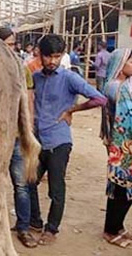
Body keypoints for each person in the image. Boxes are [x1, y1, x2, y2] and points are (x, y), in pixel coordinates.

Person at [29, 34, 107, 246]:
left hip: (59, 141)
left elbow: (100, 98)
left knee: (56, 188)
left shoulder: (69, 78)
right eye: (48, 56)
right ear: (40, 54)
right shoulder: (36, 77)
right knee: (28, 182)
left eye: (57, 56)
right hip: (38, 140)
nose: (52, 61)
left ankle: (51, 229)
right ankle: (34, 222)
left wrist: (72, 109)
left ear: (62, 55)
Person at [0, 28, 37, 248]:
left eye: (12, 44)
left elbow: (28, 102)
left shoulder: (22, 69)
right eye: (7, 44)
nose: (11, 48)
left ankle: (23, 228)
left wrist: (29, 131)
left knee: (21, 185)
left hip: (17, 137)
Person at [100, 48, 132, 248]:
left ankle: (117, 226)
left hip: (124, 145)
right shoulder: (115, 87)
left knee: (125, 188)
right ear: (121, 64)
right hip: (122, 147)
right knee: (122, 187)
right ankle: (110, 230)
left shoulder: (123, 86)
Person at [95, 41, 113, 144]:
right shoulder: (109, 55)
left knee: (100, 90)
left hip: (100, 74)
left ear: (100, 46)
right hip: (107, 74)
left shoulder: (100, 54)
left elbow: (97, 65)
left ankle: (100, 102)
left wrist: (92, 63)